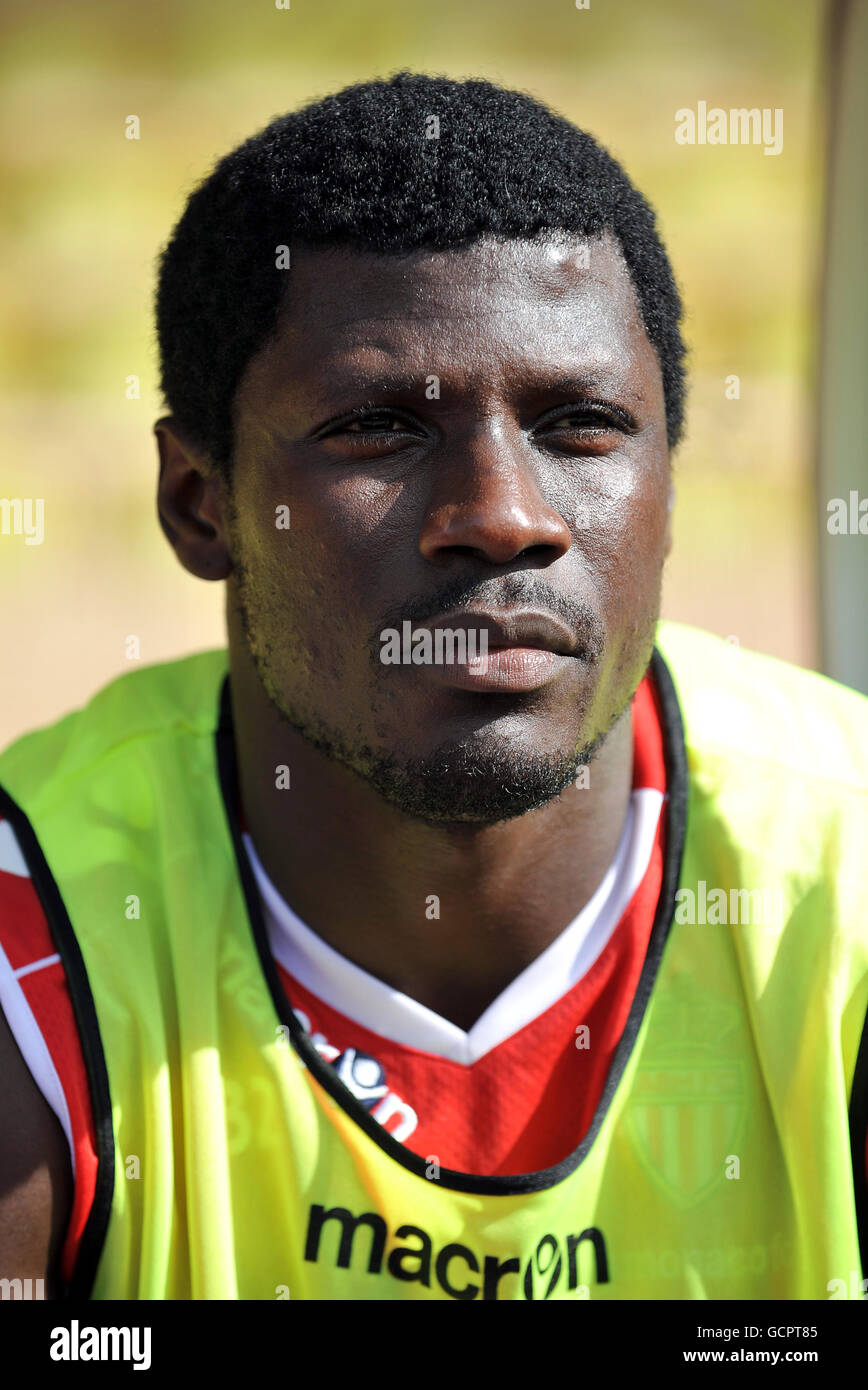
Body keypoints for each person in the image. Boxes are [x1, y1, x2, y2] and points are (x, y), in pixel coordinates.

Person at [1, 71, 866, 1303]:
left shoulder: (846, 874)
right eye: (378, 429)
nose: (503, 517)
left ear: (670, 485)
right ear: (202, 504)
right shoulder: (38, 938)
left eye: (580, 424)